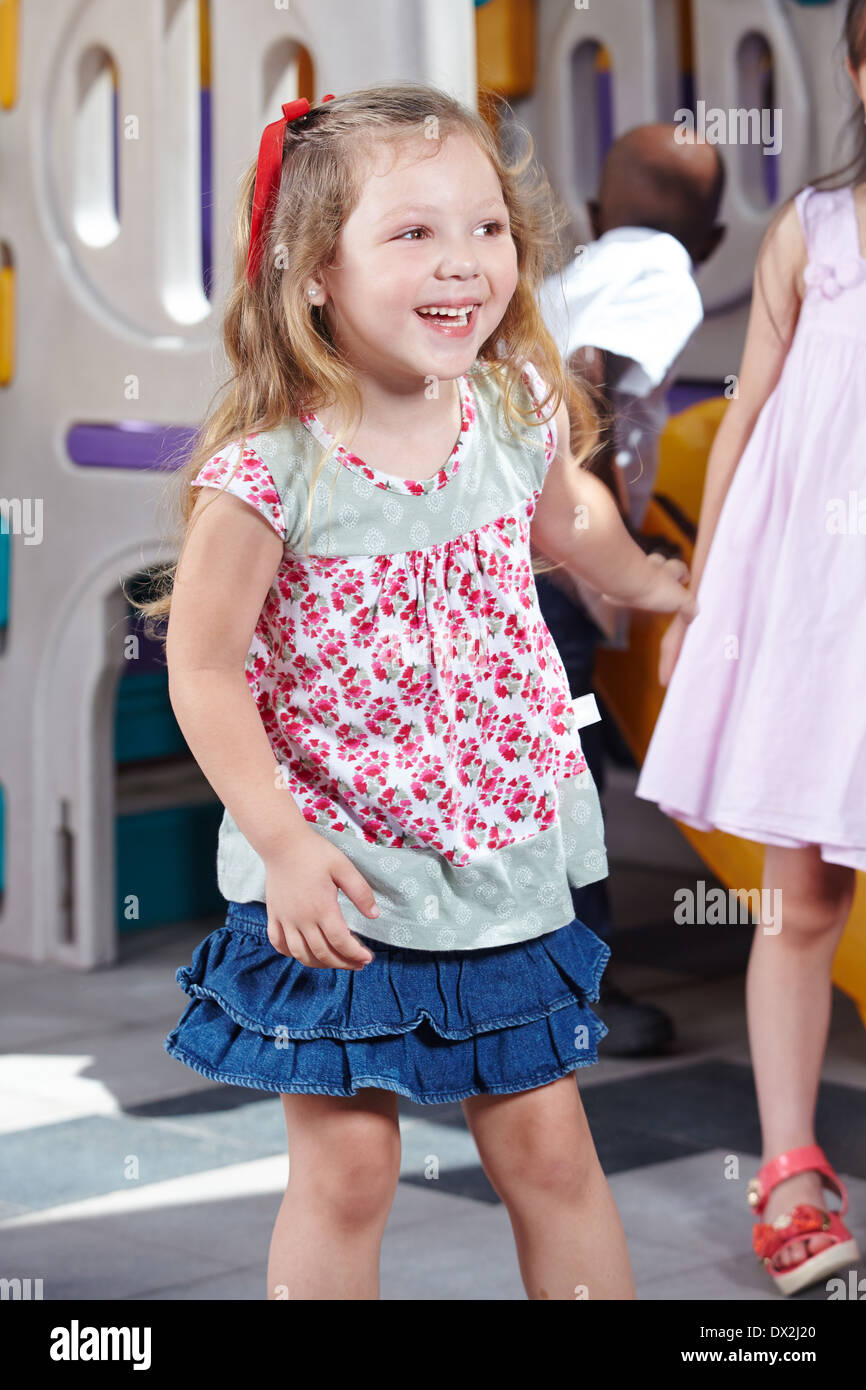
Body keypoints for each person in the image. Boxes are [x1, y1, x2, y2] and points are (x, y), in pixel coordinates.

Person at [141, 83, 694, 1302]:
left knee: (550, 1150)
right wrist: (279, 842)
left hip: (496, 857)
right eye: (412, 233)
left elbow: (570, 524)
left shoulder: (508, 413)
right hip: (337, 872)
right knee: (347, 1173)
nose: (465, 264)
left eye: (487, 228)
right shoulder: (270, 473)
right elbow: (202, 664)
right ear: (313, 270)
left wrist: (656, 582)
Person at [635, 0, 866, 1296]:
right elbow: (743, 422)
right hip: (820, 612)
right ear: (853, 66)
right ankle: (787, 1169)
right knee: (801, 900)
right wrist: (700, 598)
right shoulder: (812, 233)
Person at [534, 125, 726, 1055]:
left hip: (517, 564)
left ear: (597, 214)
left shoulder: (573, 274)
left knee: (554, 765)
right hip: (554, 576)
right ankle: (578, 991)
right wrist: (610, 544)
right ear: (718, 241)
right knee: (565, 781)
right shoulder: (660, 268)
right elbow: (588, 381)